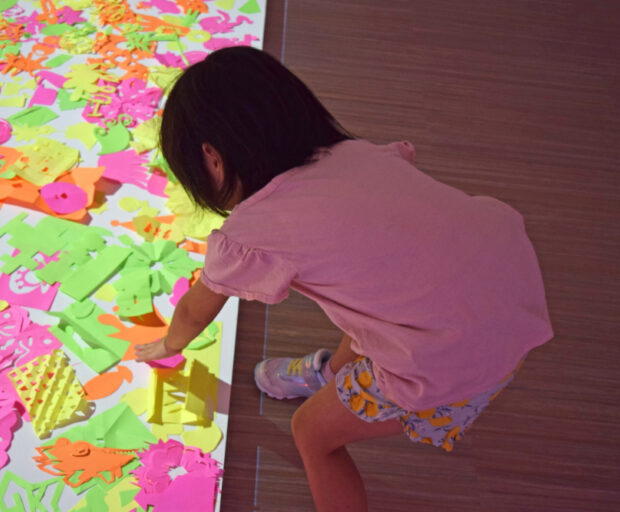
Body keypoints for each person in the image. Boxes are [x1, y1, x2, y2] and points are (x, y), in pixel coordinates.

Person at [134, 46, 554, 512]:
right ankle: (330, 375)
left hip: (452, 359)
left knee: (311, 433)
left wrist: (169, 344)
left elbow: (196, 311)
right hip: (512, 291)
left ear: (211, 158)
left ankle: (333, 400)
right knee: (371, 297)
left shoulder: (253, 229)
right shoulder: (353, 154)